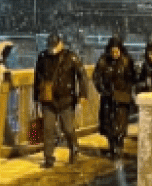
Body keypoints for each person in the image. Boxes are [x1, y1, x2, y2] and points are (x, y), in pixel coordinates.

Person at [33, 32, 89, 168]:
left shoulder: (71, 57)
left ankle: (74, 149)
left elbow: (82, 75)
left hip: (66, 98)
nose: (52, 49)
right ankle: (48, 158)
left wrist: (83, 94)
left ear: (61, 44)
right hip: (48, 98)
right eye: (50, 46)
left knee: (68, 128)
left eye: (54, 46)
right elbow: (37, 78)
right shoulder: (43, 57)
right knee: (48, 129)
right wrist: (36, 98)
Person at [92, 35, 135, 159]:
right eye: (113, 51)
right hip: (108, 98)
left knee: (120, 125)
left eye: (117, 51)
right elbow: (96, 77)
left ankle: (118, 147)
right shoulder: (103, 61)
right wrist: (103, 90)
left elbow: (132, 77)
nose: (115, 54)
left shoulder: (126, 61)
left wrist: (126, 89)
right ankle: (112, 147)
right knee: (108, 124)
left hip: (122, 98)